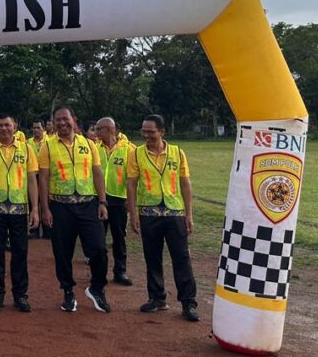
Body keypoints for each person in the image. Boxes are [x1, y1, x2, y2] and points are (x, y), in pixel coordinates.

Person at [38, 105, 111, 313]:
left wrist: (103, 202)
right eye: (58, 120)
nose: (62, 123)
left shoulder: (88, 144)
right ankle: (68, 291)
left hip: (88, 205)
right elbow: (43, 178)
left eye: (65, 119)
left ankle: (97, 288)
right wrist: (45, 209)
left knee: (98, 248)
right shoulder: (47, 147)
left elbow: (97, 173)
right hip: (60, 206)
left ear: (74, 120)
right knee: (62, 253)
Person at [127, 114, 199, 322]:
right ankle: (157, 298)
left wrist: (189, 214)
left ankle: (188, 302)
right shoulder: (136, 154)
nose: (146, 135)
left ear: (162, 132)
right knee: (152, 257)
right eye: (143, 131)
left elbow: (185, 183)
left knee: (181, 258)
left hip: (174, 213)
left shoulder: (177, 153)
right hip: (148, 214)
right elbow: (131, 184)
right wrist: (133, 214)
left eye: (151, 132)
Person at [0, 111, 39, 312]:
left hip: (20, 209)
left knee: (20, 253)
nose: (4, 128)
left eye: (7, 125)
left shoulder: (27, 149)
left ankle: (20, 295)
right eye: (0, 125)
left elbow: (32, 180)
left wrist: (35, 209)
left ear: (15, 127)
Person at [93, 117, 135, 285]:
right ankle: (98, 272)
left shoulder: (129, 150)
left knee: (119, 237)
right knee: (97, 238)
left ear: (109, 129)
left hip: (119, 200)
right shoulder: (94, 148)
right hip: (98, 199)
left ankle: (120, 271)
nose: (96, 132)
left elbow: (132, 178)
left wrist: (130, 200)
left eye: (99, 129)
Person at [27, 120, 48, 239]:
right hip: (33, 176)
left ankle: (47, 229)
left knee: (46, 202)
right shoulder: (28, 143)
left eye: (38, 128)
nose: (36, 130)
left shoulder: (49, 142)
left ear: (43, 129)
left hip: (45, 176)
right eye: (34, 128)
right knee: (33, 203)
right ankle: (34, 230)